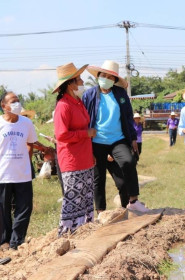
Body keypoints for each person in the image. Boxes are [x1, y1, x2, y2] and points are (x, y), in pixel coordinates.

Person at [82, 60, 148, 213]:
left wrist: (132, 138)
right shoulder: (89, 95)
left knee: (129, 161)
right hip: (97, 142)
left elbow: (128, 116)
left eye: (109, 76)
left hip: (117, 140)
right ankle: (100, 211)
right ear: (98, 76)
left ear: (114, 80)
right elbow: (85, 119)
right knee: (98, 177)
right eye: (102, 75)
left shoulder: (121, 95)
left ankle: (133, 201)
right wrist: (86, 144)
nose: (105, 78)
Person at [53, 63, 96, 236]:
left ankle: (83, 230)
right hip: (71, 159)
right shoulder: (63, 106)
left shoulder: (78, 102)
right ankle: (67, 234)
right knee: (73, 197)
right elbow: (61, 135)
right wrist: (85, 133)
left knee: (85, 196)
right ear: (71, 84)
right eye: (79, 79)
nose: (82, 81)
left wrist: (90, 152)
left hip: (84, 157)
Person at [0, 91, 37, 249]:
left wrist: (25, 162)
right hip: (3, 175)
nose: (17, 104)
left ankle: (16, 241)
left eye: (18, 100)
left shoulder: (26, 123)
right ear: (4, 106)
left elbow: (31, 143)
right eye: (13, 101)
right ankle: (4, 241)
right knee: (3, 211)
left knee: (24, 208)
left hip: (23, 174)